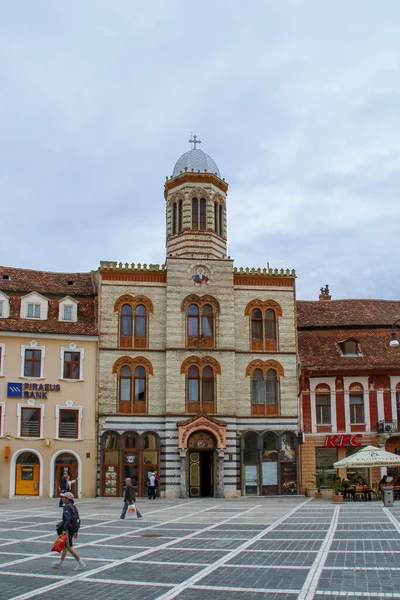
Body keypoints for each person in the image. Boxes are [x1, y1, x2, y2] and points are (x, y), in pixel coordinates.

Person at [52, 492, 86, 571]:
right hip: (73, 528)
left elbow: (68, 519)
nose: (62, 499)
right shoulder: (73, 506)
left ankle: (81, 562)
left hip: (68, 529)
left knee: (69, 547)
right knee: (64, 546)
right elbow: (77, 519)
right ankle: (60, 563)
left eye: (63, 497)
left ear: (67, 498)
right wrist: (76, 531)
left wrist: (64, 529)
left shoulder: (67, 507)